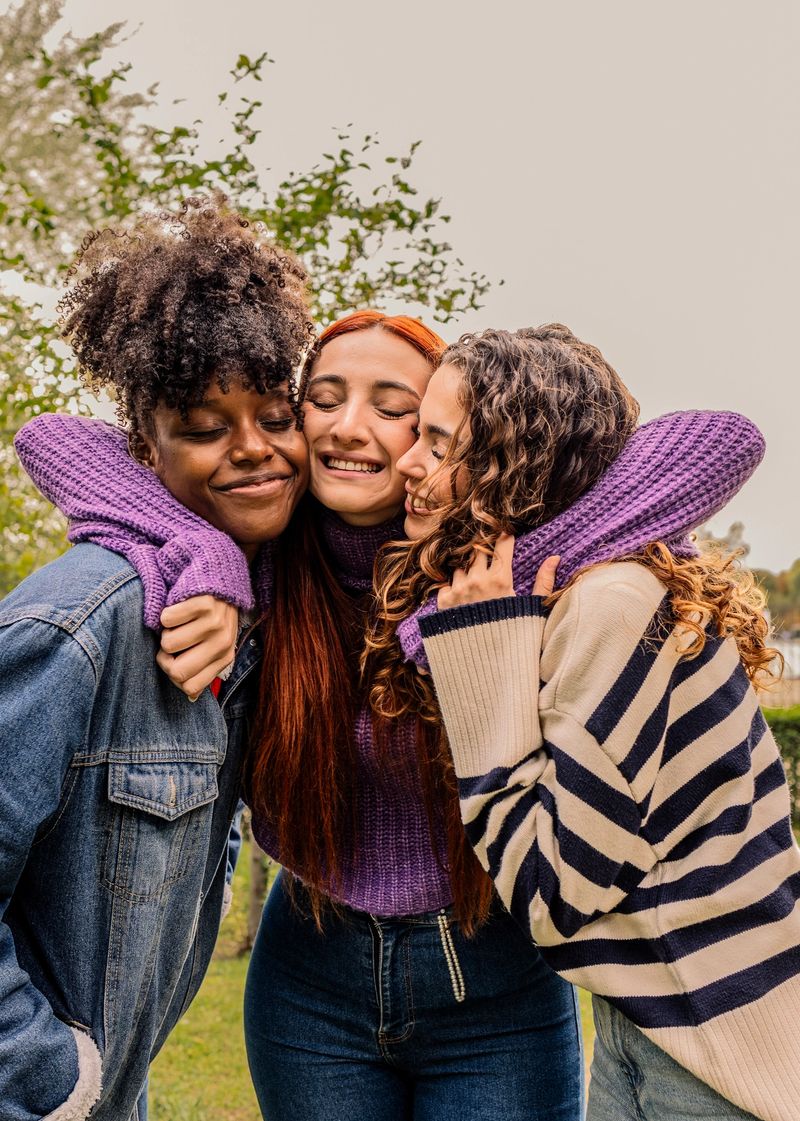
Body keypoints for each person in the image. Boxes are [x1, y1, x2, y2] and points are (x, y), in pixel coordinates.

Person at [16, 315, 765, 1120]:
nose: (348, 426)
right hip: (311, 978)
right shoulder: (269, 550)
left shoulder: (517, 561)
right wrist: (200, 547)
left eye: (392, 406)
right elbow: (52, 436)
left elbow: (723, 438)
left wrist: (500, 568)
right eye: (324, 400)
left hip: (498, 985)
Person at [367, 324, 799, 1121]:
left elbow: (555, 893)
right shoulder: (603, 589)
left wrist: (481, 650)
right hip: (659, 1028)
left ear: (513, 461)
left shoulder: (610, 603)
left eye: (436, 441)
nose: (408, 463)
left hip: (719, 1064)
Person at [0, 196, 312, 1121]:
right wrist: (45, 1077)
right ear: (147, 448)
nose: (253, 447)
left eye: (274, 414)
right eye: (208, 426)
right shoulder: (79, 627)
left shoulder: (253, 610)